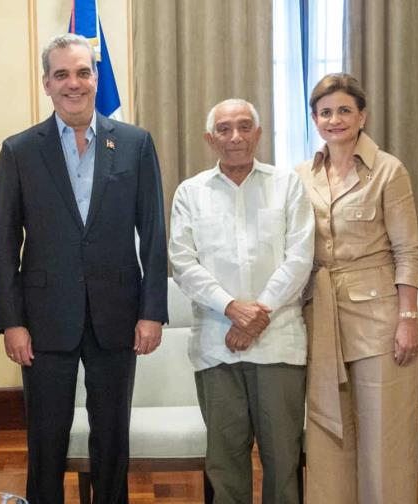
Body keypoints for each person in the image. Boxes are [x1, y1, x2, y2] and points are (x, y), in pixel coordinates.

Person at [0, 33, 168, 504]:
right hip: (44, 319)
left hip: (118, 315)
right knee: (45, 441)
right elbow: (5, 245)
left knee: (112, 440)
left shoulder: (134, 143)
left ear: (96, 78)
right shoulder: (19, 150)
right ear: (47, 83)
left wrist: (152, 312)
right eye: (62, 74)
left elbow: (153, 234)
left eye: (84, 72)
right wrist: (12, 321)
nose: (75, 83)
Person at [169, 99, 314, 503]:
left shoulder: (286, 185)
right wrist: (232, 308)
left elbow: (300, 257)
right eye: (225, 129)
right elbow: (183, 262)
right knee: (224, 463)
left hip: (279, 346)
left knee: (283, 461)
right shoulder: (190, 193)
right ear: (209, 139)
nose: (236, 137)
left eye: (245, 127)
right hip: (218, 348)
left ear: (259, 134)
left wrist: (256, 316)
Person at [296, 73, 418, 503]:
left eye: (344, 110)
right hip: (321, 319)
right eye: (325, 112)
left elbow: (408, 250)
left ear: (362, 115)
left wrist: (408, 318)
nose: (335, 119)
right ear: (314, 119)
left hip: (380, 322)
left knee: (385, 440)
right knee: (329, 436)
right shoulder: (302, 175)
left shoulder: (389, 170)